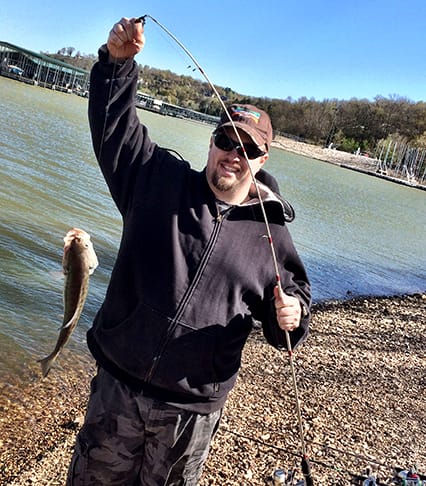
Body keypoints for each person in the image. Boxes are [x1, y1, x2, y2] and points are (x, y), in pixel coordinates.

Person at [67, 17, 311, 486]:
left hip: (189, 414)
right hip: (117, 388)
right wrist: (118, 66)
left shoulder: (272, 234)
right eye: (225, 140)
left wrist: (293, 316)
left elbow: (290, 313)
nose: (232, 154)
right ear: (211, 140)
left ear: (262, 160)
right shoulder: (156, 180)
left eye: (247, 148)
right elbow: (113, 129)